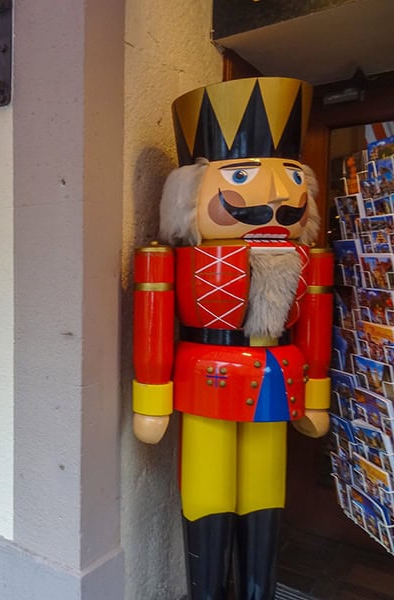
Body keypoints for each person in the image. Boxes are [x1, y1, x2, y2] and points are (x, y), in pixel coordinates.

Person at [132, 77, 333, 600]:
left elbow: (314, 324)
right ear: (187, 193)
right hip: (205, 380)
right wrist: (151, 399)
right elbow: (152, 321)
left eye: (291, 176)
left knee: (264, 490)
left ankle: (258, 590)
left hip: (276, 378)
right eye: (242, 175)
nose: (274, 197)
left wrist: (316, 396)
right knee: (209, 488)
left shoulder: (307, 260)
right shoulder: (168, 259)